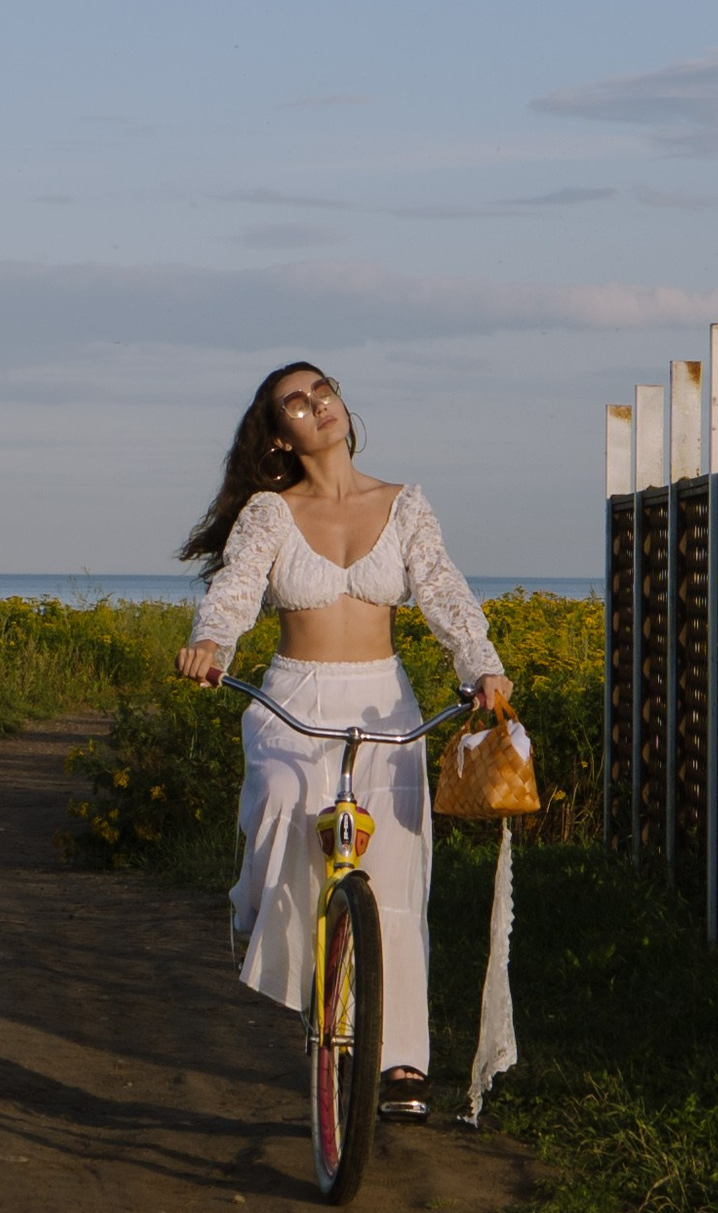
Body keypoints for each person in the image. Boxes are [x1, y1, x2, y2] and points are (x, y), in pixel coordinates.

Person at [176, 361, 508, 1120]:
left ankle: (400, 1066)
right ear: (279, 437)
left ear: (344, 406)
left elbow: (445, 591)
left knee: (393, 877)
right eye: (295, 402)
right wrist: (212, 645)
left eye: (323, 391)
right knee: (286, 810)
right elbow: (233, 593)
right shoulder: (269, 514)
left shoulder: (403, 506)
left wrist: (481, 667)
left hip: (386, 705)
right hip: (296, 698)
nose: (316, 405)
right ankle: (304, 978)